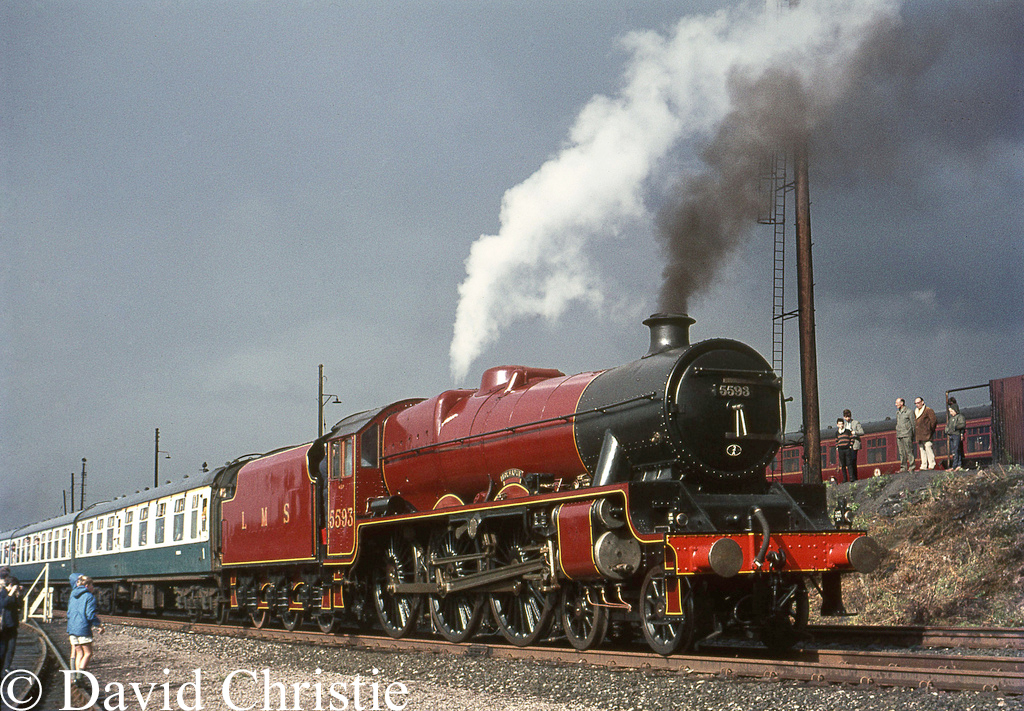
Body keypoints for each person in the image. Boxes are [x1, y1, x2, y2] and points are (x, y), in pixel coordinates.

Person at [67, 574, 104, 684]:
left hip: (72, 629)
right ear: (87, 585)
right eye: (92, 585)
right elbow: (90, 615)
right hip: (83, 629)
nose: (93, 588)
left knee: (79, 653)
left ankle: (75, 677)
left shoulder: (72, 595)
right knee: (88, 653)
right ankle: (79, 678)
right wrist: (99, 625)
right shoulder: (89, 597)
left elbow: (69, 612)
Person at [0, 576, 23, 677]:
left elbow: (19, 606)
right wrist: (11, 593)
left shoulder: (13, 594)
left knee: (11, 648)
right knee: (3, 648)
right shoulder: (2, 593)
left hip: (12, 624)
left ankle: (6, 667)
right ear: (10, 585)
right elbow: (4, 603)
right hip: (4, 625)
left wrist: (19, 595)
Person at [914, 397, 938, 470]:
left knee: (928, 448)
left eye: (918, 403)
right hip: (919, 434)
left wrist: (930, 430)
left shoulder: (928, 410)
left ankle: (931, 464)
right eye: (916, 403)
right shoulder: (915, 411)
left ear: (922, 402)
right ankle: (924, 465)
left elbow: (933, 421)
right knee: (922, 449)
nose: (917, 405)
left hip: (927, 434)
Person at [843, 409, 865, 481]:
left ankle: (854, 477)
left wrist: (854, 432)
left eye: (848, 417)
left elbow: (862, 432)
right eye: (846, 417)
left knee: (853, 460)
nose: (847, 418)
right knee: (848, 461)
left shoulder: (856, 423)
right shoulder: (844, 425)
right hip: (847, 444)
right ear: (844, 417)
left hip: (854, 444)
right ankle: (851, 477)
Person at [895, 398, 915, 471]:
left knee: (909, 451)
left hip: (907, 434)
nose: (895, 404)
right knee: (901, 452)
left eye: (897, 403)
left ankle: (912, 466)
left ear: (902, 403)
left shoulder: (909, 412)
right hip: (899, 434)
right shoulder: (897, 413)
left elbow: (913, 424)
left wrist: (912, 434)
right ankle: (903, 467)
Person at [946, 401, 967, 471]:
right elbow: (947, 426)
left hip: (956, 435)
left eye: (951, 411)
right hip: (951, 435)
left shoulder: (960, 417)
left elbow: (962, 425)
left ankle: (956, 465)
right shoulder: (951, 419)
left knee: (956, 449)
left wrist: (955, 427)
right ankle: (956, 464)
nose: (950, 413)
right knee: (954, 450)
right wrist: (947, 431)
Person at [834, 418, 854, 483]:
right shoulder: (837, 433)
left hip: (847, 448)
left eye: (842, 424)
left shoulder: (847, 431)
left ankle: (851, 477)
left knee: (849, 463)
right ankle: (845, 479)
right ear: (837, 425)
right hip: (841, 449)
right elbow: (836, 441)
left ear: (843, 424)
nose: (841, 425)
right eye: (839, 424)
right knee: (843, 465)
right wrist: (837, 447)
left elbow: (852, 438)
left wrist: (850, 445)